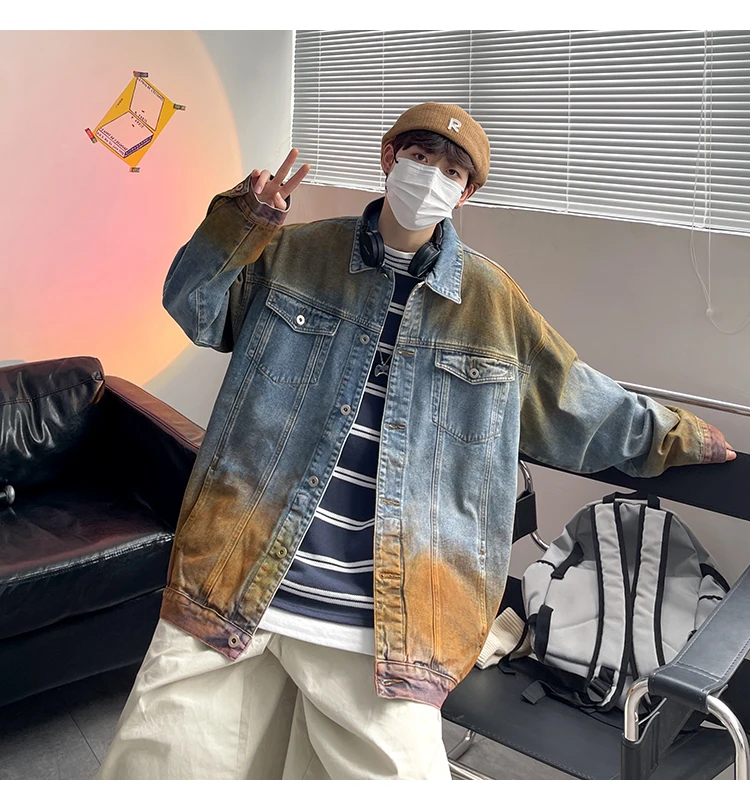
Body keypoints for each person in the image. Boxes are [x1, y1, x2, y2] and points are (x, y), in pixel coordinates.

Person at [97, 102, 736, 780]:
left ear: (466, 193)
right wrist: (241, 222)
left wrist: (680, 434)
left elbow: (577, 401)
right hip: (235, 578)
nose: (432, 175)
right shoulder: (294, 254)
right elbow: (194, 307)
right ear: (390, 158)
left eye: (452, 170)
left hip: (387, 621)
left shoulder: (492, 305)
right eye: (421, 156)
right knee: (155, 774)